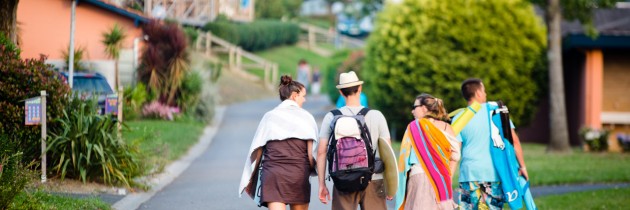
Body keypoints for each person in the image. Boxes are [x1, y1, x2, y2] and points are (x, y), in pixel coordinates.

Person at [239, 75, 318, 210]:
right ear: (294, 95)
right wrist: (311, 171)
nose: (304, 100)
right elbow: (311, 154)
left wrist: (251, 177)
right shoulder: (307, 117)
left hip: (273, 175)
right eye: (303, 96)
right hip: (298, 174)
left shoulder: (269, 116)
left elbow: (257, 150)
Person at [317, 71, 391, 210]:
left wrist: (322, 184)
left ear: (341, 92)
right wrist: (391, 184)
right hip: (373, 179)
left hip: (342, 179)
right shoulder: (377, 116)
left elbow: (321, 152)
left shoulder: (331, 117)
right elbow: (387, 152)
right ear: (360, 89)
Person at [454, 78, 529, 210]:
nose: (486, 94)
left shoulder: (458, 117)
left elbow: (455, 152)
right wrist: (522, 167)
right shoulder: (496, 113)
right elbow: (514, 141)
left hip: (468, 174)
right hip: (492, 174)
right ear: (478, 93)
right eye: (484, 91)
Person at [395, 93, 460, 210]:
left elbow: (404, 162)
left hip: (419, 178)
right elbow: (455, 156)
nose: (412, 111)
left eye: (415, 107)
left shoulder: (413, 127)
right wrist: (447, 178)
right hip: (442, 180)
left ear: (424, 108)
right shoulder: (447, 127)